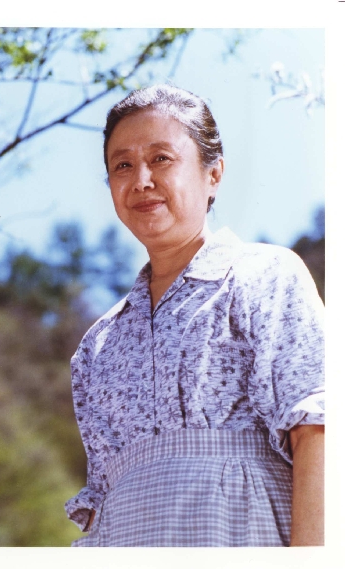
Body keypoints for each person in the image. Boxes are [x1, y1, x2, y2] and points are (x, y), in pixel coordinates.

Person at [64, 85, 324, 547]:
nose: (141, 180)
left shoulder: (264, 275)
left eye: (161, 158)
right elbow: (102, 503)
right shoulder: (97, 346)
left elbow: (317, 432)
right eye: (122, 166)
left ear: (213, 174)